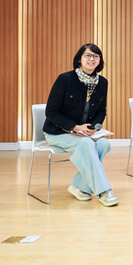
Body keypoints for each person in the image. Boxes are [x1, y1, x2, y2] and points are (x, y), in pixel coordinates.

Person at [43, 43, 118, 206]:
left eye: (96, 56)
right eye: (88, 55)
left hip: (83, 132)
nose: (92, 59)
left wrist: (94, 127)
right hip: (58, 132)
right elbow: (51, 111)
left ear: (100, 61)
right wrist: (75, 127)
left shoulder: (102, 82)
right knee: (85, 144)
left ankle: (79, 186)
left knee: (103, 144)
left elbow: (101, 111)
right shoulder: (65, 79)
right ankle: (104, 191)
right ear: (79, 59)